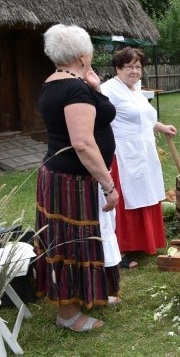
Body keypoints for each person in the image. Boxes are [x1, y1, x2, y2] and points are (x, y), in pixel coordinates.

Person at [34, 24, 119, 331]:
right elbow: (82, 143)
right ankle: (68, 314)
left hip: (63, 178)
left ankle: (86, 295)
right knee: (68, 244)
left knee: (82, 241)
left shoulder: (56, 82)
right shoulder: (72, 88)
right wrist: (109, 185)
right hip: (67, 181)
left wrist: (94, 87)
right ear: (83, 55)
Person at [101, 47, 177, 268]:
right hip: (123, 154)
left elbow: (143, 119)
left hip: (144, 151)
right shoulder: (108, 91)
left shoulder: (135, 89)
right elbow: (100, 123)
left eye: (138, 67)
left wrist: (162, 127)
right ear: (118, 68)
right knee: (124, 200)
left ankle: (144, 242)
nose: (134, 71)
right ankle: (119, 250)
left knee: (147, 194)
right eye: (129, 67)